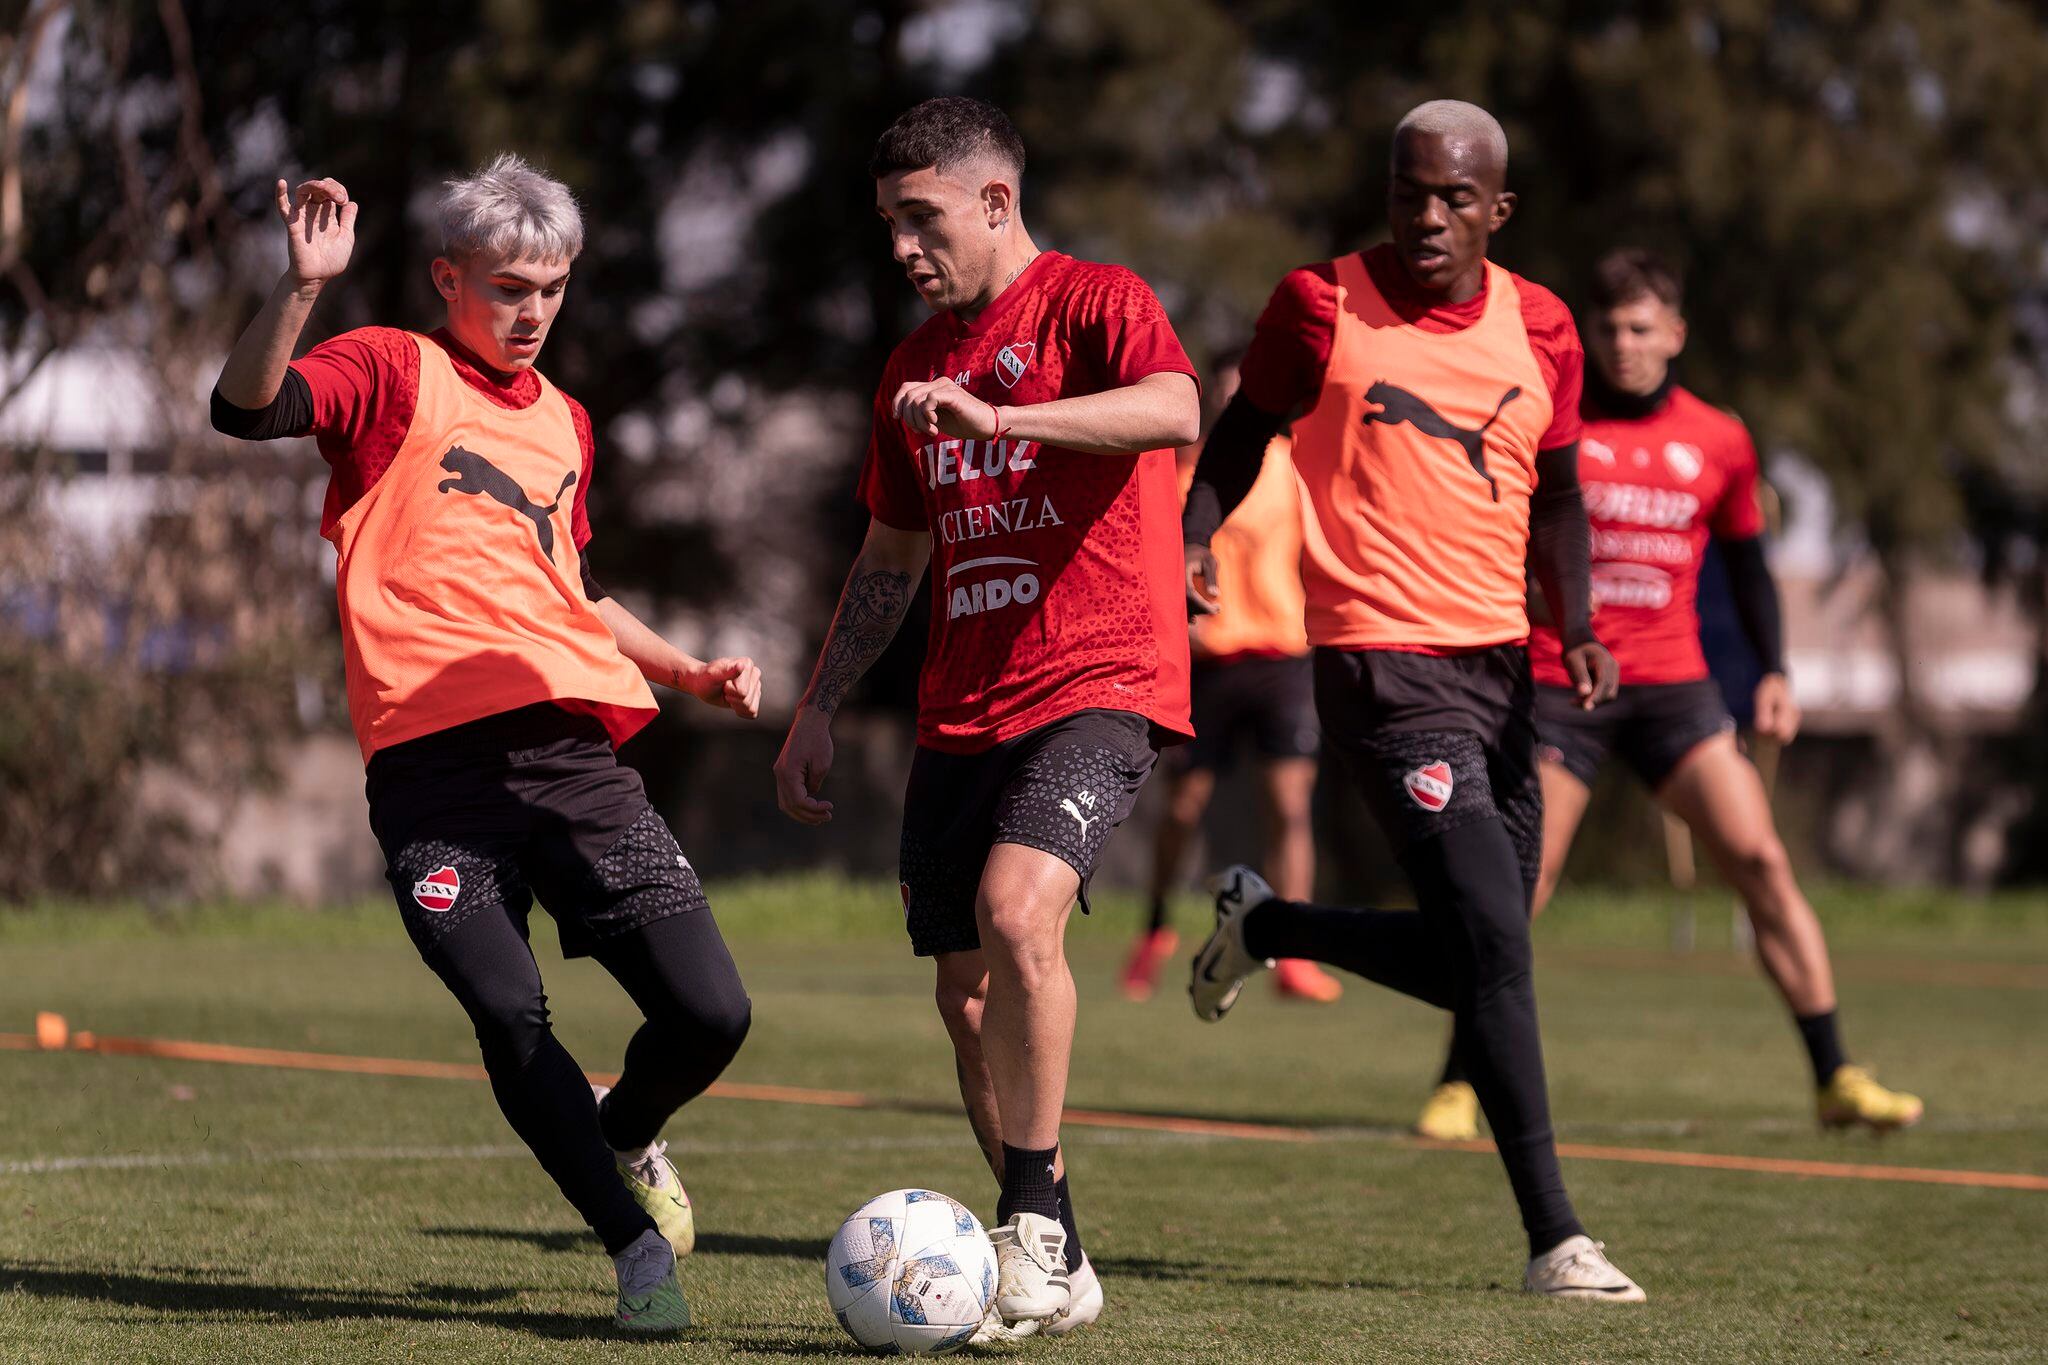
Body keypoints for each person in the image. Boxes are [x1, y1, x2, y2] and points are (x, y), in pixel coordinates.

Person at [210, 156, 761, 1334]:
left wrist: (687, 670)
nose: (533, 312)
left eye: (553, 288)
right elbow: (244, 408)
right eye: (508, 287)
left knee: (713, 1016)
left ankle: (624, 1129)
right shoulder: (391, 367)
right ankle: (631, 1251)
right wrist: (301, 287)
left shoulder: (566, 421)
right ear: (447, 277)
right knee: (510, 1016)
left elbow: (572, 582)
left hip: (572, 758)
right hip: (431, 779)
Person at [1183, 100, 1646, 1302]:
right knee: (1493, 944)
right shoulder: (1318, 304)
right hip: (1377, 665)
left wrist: (1579, 625)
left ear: (1498, 209)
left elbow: (1555, 497)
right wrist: (1195, 537)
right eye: (1407, 191)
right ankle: (1556, 1238)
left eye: (1452, 198)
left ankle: (1265, 927)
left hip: (1506, 673)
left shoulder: (1542, 326)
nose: (1425, 215)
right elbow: (1239, 433)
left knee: (1476, 954)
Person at [773, 97, 1199, 1342]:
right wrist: (816, 707)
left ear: (995, 202)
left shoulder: (1092, 302)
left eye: (923, 219)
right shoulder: (908, 368)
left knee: (1020, 913)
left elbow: (1172, 408)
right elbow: (893, 554)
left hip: (1102, 677)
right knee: (966, 1009)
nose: (904, 248)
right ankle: (1060, 1250)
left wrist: (1004, 418)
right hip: (962, 709)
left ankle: (1028, 1229)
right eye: (889, 227)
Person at [1413, 249, 1922, 1141]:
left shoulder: (1720, 438)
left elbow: (1749, 565)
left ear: (1675, 334)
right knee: (1521, 888)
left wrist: (1772, 672)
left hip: (1677, 689)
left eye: (1640, 327)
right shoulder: (1549, 423)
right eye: (1607, 327)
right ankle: (1461, 1082)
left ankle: (1836, 1072)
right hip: (1560, 687)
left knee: (1761, 862)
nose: (1622, 343)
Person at [1123, 355, 1341, 1004]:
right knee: (1182, 808)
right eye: (1221, 390)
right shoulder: (1178, 476)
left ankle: (1294, 952)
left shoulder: (1292, 466)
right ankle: (1156, 928)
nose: (1232, 400)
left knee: (1290, 807)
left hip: (1282, 660)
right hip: (1206, 667)